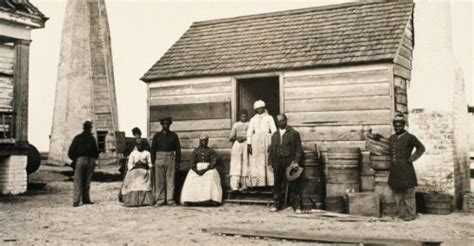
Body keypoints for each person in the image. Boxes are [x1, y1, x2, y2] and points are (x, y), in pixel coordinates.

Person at [388, 114, 425, 221]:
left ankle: (411, 214)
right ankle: (402, 213)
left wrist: (412, 158)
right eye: (396, 126)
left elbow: (421, 148)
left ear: (404, 126)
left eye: (400, 126)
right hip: (395, 170)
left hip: (406, 169)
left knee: (409, 192)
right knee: (397, 192)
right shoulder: (392, 138)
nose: (398, 128)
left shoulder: (410, 137)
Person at [268, 114, 304, 213]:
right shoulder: (275, 135)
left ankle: (297, 206)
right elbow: (271, 150)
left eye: (282, 120)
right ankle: (277, 204)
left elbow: (298, 150)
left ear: (286, 120)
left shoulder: (294, 133)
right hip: (277, 162)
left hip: (290, 161)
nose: (281, 123)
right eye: (279, 121)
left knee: (293, 184)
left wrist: (296, 161)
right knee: (277, 184)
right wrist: (270, 163)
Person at [180, 134, 222, 206]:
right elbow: (192, 162)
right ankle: (191, 199)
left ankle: (211, 199)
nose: (204, 142)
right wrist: (196, 170)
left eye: (206, 141)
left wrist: (205, 170)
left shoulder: (211, 151)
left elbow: (213, 161)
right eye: (202, 141)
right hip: (197, 168)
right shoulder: (196, 151)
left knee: (211, 177)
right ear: (200, 141)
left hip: (208, 168)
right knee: (191, 177)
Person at [151, 116, 181, 206]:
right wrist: (153, 162)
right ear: (161, 125)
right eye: (164, 124)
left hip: (170, 158)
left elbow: (178, 149)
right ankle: (160, 200)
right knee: (159, 181)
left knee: (170, 180)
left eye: (168, 124)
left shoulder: (174, 135)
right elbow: (153, 149)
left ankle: (170, 200)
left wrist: (177, 162)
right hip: (159, 158)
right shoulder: (157, 136)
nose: (166, 125)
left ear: (170, 124)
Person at [68, 120, 99, 207]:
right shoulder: (92, 139)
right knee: (87, 180)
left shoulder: (78, 138)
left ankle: (76, 201)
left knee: (78, 180)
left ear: (83, 128)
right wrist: (93, 159)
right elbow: (96, 152)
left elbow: (70, 152)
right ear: (90, 128)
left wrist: (75, 160)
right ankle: (86, 199)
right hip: (91, 160)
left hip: (80, 160)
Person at [247, 100, 277, 187]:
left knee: (267, 160)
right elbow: (249, 132)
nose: (260, 110)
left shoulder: (269, 118)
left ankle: (269, 183)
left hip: (266, 140)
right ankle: (258, 184)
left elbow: (274, 130)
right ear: (255, 110)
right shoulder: (253, 119)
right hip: (255, 142)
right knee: (256, 161)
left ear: (264, 108)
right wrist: (249, 144)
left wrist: (272, 143)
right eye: (258, 109)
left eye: (261, 108)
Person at [120, 139, 154, 207]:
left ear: (143, 145)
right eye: (138, 145)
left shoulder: (147, 153)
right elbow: (129, 165)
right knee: (131, 177)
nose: (139, 146)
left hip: (144, 170)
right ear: (136, 145)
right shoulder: (133, 153)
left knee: (145, 177)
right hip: (135, 170)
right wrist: (134, 166)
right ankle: (132, 200)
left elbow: (150, 163)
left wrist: (149, 169)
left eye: (141, 145)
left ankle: (145, 200)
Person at [229, 110, 250, 191]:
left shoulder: (249, 124)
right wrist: (237, 138)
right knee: (236, 164)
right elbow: (231, 138)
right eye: (242, 116)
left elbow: (253, 135)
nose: (243, 118)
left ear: (247, 116)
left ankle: (245, 185)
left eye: (245, 116)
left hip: (246, 145)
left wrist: (245, 138)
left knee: (246, 163)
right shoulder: (236, 125)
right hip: (237, 145)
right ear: (239, 117)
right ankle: (235, 185)